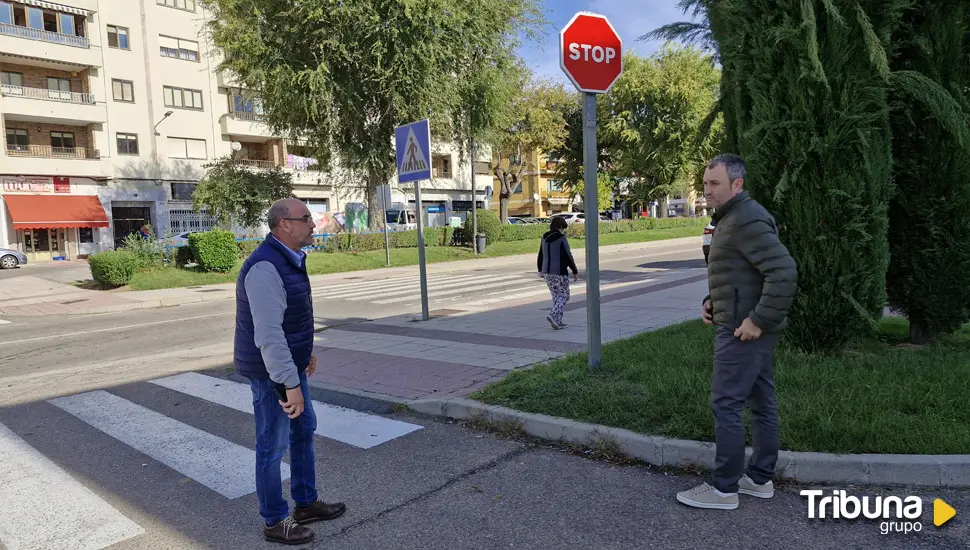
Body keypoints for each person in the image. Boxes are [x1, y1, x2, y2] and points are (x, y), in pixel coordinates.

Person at [676, 154, 798, 510]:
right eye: (705, 183)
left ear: (737, 184)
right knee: (761, 403)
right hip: (740, 320)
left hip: (744, 330)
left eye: (715, 184)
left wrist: (757, 320)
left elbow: (784, 272)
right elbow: (741, 273)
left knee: (725, 404)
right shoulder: (731, 219)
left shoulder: (745, 219)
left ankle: (723, 489)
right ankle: (759, 480)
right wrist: (712, 300)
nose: (707, 190)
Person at [234, 198, 346, 545]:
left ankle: (306, 502)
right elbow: (268, 335)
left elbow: (289, 319)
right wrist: (288, 383)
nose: (313, 225)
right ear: (284, 224)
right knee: (273, 444)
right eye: (305, 219)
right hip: (272, 374)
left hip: (289, 365)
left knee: (303, 430)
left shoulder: (288, 259)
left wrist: (304, 351)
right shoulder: (266, 267)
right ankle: (274, 520)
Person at [537, 216, 579, 329]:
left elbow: (541, 254)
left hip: (546, 271)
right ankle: (554, 314)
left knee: (556, 296)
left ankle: (558, 321)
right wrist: (574, 270)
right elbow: (568, 255)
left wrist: (540, 269)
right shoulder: (561, 238)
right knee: (565, 295)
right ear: (561, 226)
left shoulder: (544, 237)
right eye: (563, 228)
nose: (563, 230)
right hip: (559, 271)